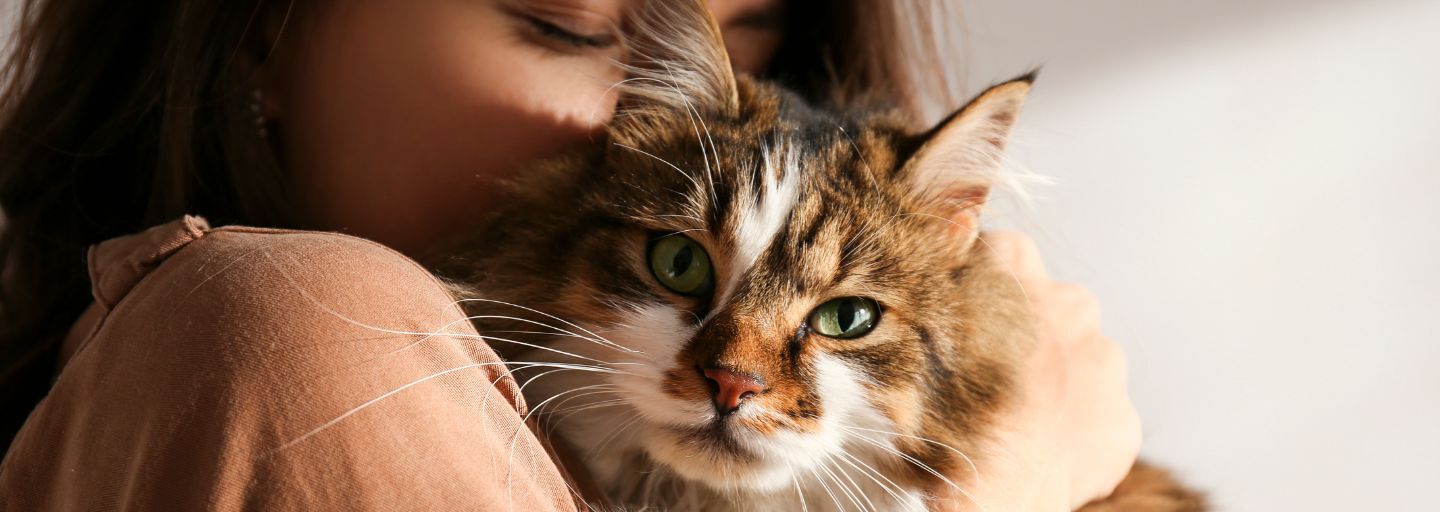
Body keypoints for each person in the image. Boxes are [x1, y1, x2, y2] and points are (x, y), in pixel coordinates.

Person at [0, 0, 1139, 509]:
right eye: (583, 29)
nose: (660, 126)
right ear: (261, 23)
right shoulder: (308, 331)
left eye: (759, 44)